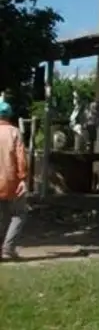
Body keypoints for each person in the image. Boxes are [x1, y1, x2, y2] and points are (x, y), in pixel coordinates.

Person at [0, 100, 28, 261]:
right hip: (11, 182)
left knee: (2, 216)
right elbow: (20, 157)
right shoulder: (14, 132)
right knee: (19, 214)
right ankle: (8, 249)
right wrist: (23, 179)